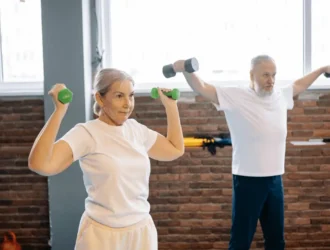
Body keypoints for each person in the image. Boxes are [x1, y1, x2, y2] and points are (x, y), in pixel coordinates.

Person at [171, 55, 330, 250]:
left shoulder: (281, 95)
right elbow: (203, 88)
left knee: (276, 241)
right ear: (251, 75)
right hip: (247, 180)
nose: (270, 80)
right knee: (240, 241)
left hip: (274, 181)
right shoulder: (236, 96)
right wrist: (185, 69)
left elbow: (299, 85)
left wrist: (322, 70)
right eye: (265, 75)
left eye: (273, 75)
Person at [28, 68, 184, 250]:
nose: (128, 104)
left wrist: (171, 106)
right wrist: (59, 111)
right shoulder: (87, 133)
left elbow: (175, 149)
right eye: (119, 96)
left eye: (131, 96)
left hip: (141, 232)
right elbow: (40, 164)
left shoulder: (136, 130)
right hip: (101, 236)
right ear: (100, 99)